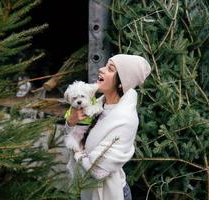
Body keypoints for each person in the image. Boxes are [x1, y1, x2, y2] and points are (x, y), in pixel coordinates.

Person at [64, 54, 151, 200]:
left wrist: (77, 153)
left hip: (109, 194)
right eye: (105, 65)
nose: (101, 69)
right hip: (89, 191)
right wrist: (71, 122)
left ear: (122, 82)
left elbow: (98, 170)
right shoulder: (99, 103)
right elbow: (73, 135)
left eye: (110, 69)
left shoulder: (125, 120)